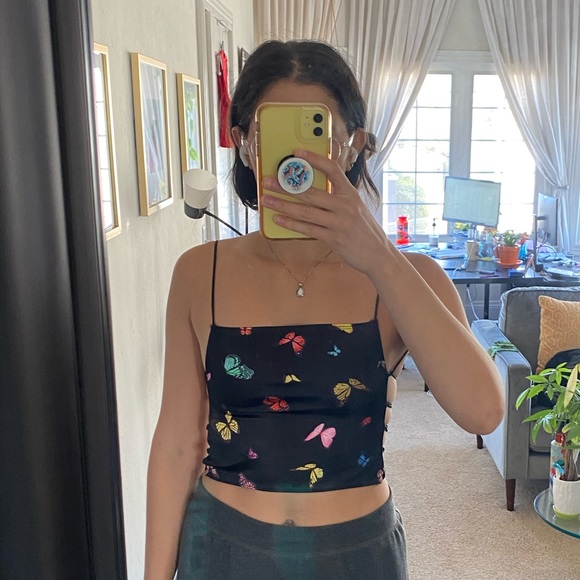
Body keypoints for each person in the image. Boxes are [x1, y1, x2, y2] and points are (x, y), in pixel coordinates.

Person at [144, 40, 504, 580]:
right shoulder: (200, 272)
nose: (297, 158)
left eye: (317, 134)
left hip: (358, 555)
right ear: (244, 145)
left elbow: (483, 412)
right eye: (272, 133)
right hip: (222, 548)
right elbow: (177, 445)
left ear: (352, 146)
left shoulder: (409, 278)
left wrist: (379, 258)